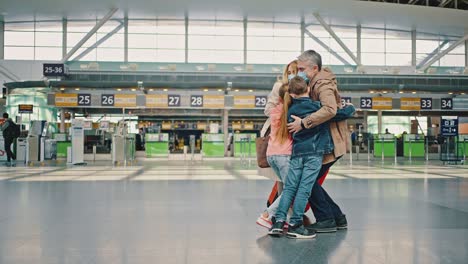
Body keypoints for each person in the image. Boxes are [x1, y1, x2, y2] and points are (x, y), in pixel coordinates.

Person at [269, 76, 355, 239]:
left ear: (292, 95)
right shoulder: (316, 107)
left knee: (290, 188)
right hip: (314, 154)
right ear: (308, 89)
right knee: (304, 189)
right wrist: (350, 108)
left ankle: (278, 222)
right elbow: (337, 114)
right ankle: (295, 224)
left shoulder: (290, 110)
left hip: (297, 154)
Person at [287, 50, 350, 233]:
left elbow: (330, 109)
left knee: (308, 181)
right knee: (310, 180)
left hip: (329, 140)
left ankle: (326, 219)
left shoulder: (322, 84)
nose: (299, 72)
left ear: (314, 68)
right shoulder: (316, 81)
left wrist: (304, 123)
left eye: (301, 69)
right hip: (323, 140)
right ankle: (336, 217)